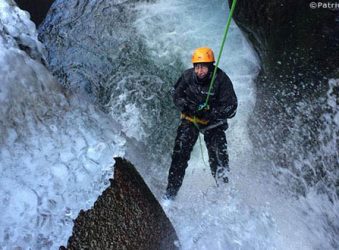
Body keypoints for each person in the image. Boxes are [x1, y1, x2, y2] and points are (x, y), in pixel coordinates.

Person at [165, 47, 238, 200]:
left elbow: (231, 107)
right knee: (180, 154)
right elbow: (176, 95)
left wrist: (213, 113)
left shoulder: (221, 79)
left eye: (203, 67)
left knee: (218, 155)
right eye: (197, 67)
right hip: (191, 120)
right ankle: (170, 195)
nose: (200, 71)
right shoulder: (187, 76)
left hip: (213, 123)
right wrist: (187, 106)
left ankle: (225, 194)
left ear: (210, 66)